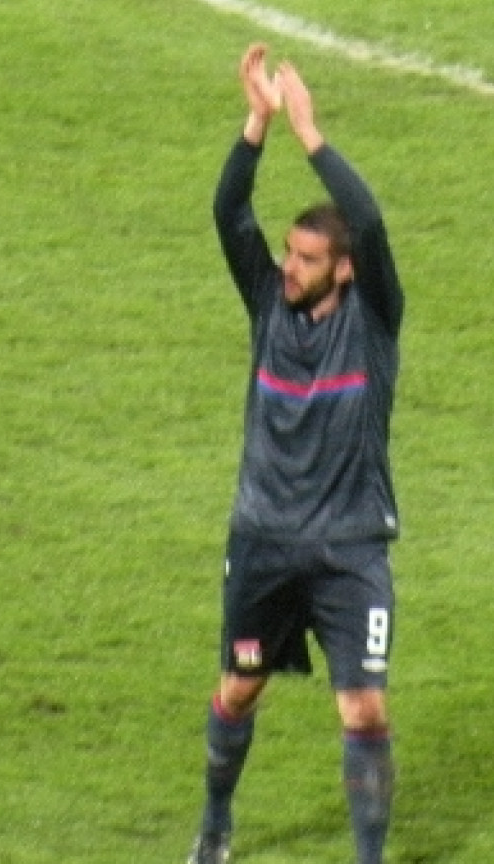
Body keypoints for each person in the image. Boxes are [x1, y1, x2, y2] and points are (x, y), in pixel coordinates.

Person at [186, 43, 404, 864]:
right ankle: (214, 823)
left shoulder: (374, 320)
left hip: (351, 548)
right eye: (289, 254)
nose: (289, 268)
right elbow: (227, 216)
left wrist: (312, 134)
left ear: (343, 271)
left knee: (365, 711)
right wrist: (257, 125)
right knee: (240, 689)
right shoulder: (268, 303)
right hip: (265, 540)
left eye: (308, 261)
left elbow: (373, 223)